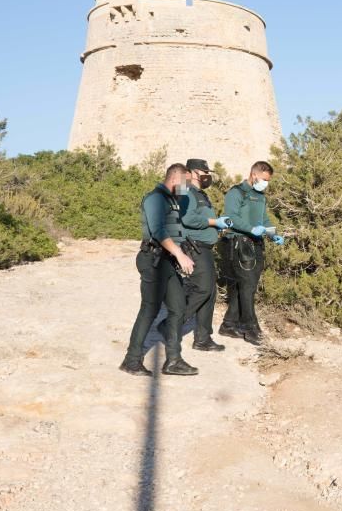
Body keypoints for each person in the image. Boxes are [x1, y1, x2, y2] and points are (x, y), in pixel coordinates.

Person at [119, 163, 198, 377]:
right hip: (154, 261)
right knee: (149, 310)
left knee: (178, 308)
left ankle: (173, 360)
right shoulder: (155, 198)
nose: (187, 187)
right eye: (185, 183)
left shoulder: (172, 200)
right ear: (174, 179)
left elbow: (174, 230)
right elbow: (158, 230)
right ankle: (131, 360)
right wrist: (180, 255)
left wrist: (182, 251)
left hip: (168, 261)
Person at [219, 161, 284, 346]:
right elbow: (230, 218)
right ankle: (250, 327)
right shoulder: (236, 192)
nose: (266, 183)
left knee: (247, 286)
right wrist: (250, 228)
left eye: (268, 180)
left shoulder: (260, 196)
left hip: (256, 244)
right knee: (247, 285)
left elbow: (264, 218)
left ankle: (228, 325)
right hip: (239, 243)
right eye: (264, 179)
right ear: (254, 174)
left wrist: (273, 235)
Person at [179, 158, 232, 352]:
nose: (207, 176)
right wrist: (213, 222)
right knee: (202, 290)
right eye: (203, 172)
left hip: (205, 249)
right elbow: (187, 218)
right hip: (195, 247)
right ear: (192, 172)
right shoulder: (184, 191)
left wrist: (219, 223)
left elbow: (200, 217)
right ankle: (172, 324)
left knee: (209, 292)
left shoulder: (201, 194)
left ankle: (203, 338)